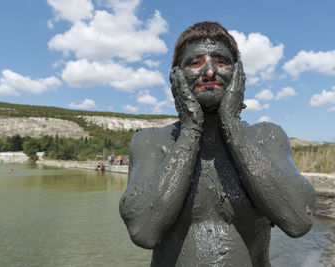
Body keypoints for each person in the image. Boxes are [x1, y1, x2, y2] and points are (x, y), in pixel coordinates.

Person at [120, 22, 316, 266]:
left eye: (221, 61)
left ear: (238, 74)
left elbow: (298, 221)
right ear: (176, 76)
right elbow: (143, 230)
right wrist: (191, 129)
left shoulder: (267, 137)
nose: (209, 71)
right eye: (195, 62)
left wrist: (231, 124)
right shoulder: (152, 141)